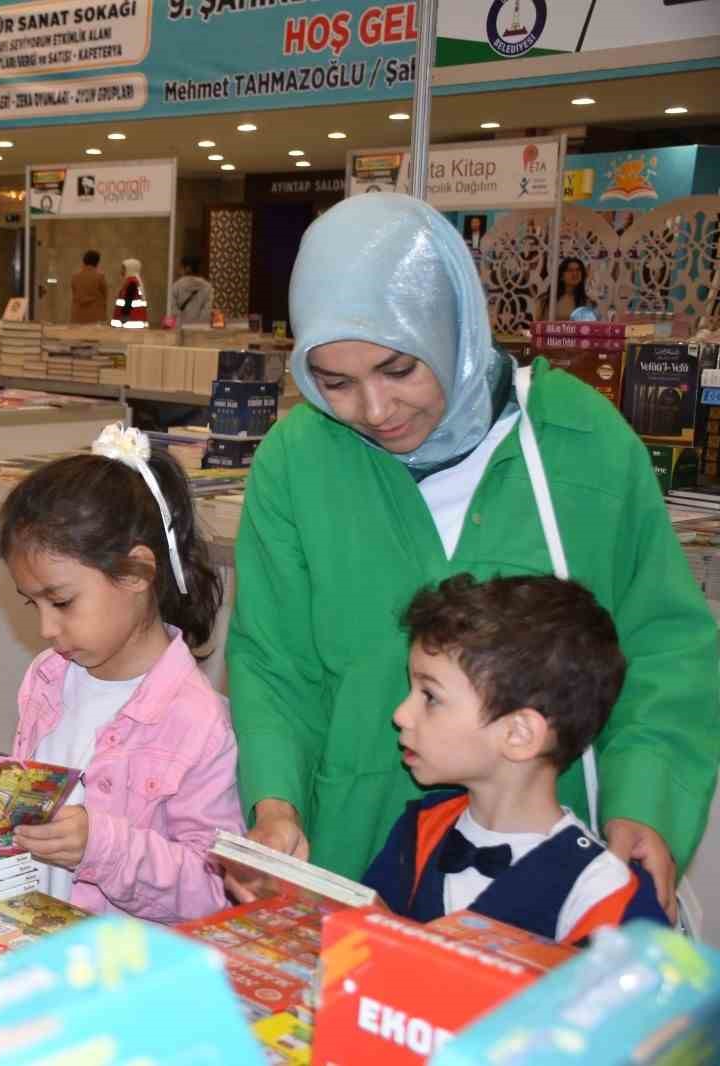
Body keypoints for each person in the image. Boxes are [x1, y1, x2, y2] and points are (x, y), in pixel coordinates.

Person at [227, 192, 718, 916]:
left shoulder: (578, 443)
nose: (374, 409)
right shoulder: (298, 462)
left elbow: (659, 644)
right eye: (334, 382)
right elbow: (273, 663)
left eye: (399, 368)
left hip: (553, 870)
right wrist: (275, 805)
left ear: (452, 325)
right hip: (353, 847)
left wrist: (645, 797)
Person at [0, 425, 241, 922]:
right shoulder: (49, 677)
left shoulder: (198, 721)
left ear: (135, 573)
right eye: (33, 604)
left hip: (118, 967)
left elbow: (213, 893)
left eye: (61, 601)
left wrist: (102, 847)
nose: (45, 628)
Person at [363, 574, 667, 944]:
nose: (401, 715)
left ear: (519, 734)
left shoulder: (601, 894)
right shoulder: (422, 828)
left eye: (430, 696)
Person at [533, 256, 594, 323]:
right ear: (561, 276)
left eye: (578, 270)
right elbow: (536, 325)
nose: (575, 273)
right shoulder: (545, 300)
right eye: (570, 270)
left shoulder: (587, 302)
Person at [168, 256, 213, 325]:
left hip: (181, 327)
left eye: (180, 267)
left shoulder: (176, 286)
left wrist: (181, 322)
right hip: (200, 328)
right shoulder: (208, 287)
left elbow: (172, 309)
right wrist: (198, 324)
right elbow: (207, 311)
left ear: (187, 268)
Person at [69, 250, 108, 325]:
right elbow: (104, 296)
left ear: (84, 261)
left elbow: (74, 293)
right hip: (96, 316)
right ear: (97, 262)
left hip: (78, 315)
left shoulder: (75, 277)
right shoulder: (100, 277)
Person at [110, 258, 147, 329]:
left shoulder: (131, 282)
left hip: (129, 322)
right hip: (133, 321)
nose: (121, 271)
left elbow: (128, 300)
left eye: (123, 268)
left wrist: (123, 319)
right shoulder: (134, 281)